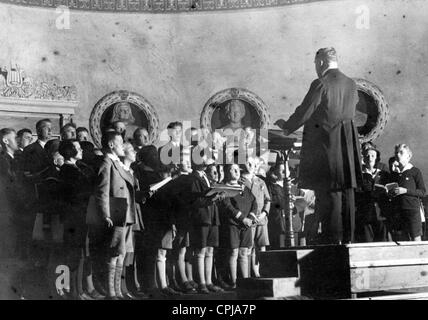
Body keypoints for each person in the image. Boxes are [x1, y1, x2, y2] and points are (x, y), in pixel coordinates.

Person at [274, 47, 362, 244]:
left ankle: (333, 249)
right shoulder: (351, 84)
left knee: (329, 200)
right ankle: (348, 245)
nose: (316, 68)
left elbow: (306, 110)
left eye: (315, 64)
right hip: (347, 152)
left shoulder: (321, 83)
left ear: (321, 62)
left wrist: (287, 127)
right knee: (346, 198)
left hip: (327, 150)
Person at [87, 131, 137, 300]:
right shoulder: (107, 162)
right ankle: (111, 292)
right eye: (121, 142)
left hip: (124, 212)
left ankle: (118, 291)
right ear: (111, 145)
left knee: (121, 253)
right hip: (115, 211)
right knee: (114, 253)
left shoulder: (117, 163)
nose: (123, 146)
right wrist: (105, 214)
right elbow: (102, 191)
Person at [58, 139, 95, 300]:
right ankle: (74, 293)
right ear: (68, 151)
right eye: (78, 148)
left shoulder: (77, 168)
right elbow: (79, 193)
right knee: (73, 255)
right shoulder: (68, 170)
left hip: (80, 217)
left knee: (79, 254)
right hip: (74, 218)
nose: (81, 150)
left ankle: (78, 291)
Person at [188, 158, 223, 294]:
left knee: (210, 251)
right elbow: (194, 200)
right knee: (201, 251)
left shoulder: (206, 176)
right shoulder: (193, 178)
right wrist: (211, 199)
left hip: (212, 217)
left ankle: (209, 281)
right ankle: (201, 282)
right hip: (202, 218)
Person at [221, 163, 257, 288]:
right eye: (233, 169)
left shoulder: (244, 187)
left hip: (246, 225)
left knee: (243, 253)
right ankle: (234, 282)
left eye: (238, 169)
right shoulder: (225, 188)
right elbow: (228, 206)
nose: (237, 171)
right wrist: (243, 219)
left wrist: (251, 218)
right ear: (227, 172)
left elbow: (254, 202)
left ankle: (245, 281)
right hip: (233, 225)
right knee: (233, 252)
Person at [241, 157, 271, 278]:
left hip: (261, 219)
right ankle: (249, 274)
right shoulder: (240, 181)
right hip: (249, 218)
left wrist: (264, 213)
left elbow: (268, 199)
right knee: (249, 246)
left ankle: (260, 271)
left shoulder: (260, 181)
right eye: (248, 163)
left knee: (261, 245)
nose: (251, 165)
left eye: (253, 164)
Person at [389, 144, 425, 241]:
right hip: (398, 211)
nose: (398, 155)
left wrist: (405, 191)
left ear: (409, 156)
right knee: (402, 241)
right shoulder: (394, 174)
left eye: (401, 152)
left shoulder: (415, 171)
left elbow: (422, 192)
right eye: (396, 152)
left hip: (412, 210)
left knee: (416, 240)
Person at [355, 147, 390, 242]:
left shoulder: (384, 174)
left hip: (381, 213)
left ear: (376, 158)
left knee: (382, 241)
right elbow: (356, 194)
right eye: (367, 156)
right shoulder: (359, 175)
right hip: (366, 213)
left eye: (372, 156)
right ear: (363, 158)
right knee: (367, 242)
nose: (370, 158)